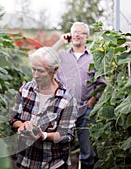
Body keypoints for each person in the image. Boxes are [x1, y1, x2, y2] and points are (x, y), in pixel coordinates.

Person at [9, 47, 78, 169]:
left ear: (54, 70)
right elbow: (13, 119)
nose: (35, 75)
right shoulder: (25, 90)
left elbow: (67, 135)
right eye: (33, 69)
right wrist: (22, 126)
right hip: (25, 161)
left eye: (40, 71)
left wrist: (44, 135)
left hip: (53, 163)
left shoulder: (66, 100)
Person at [52, 22, 107, 169]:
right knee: (61, 152)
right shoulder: (61, 56)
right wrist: (60, 42)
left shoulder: (93, 58)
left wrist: (92, 101)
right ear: (70, 35)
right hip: (63, 110)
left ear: (87, 37)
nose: (77, 34)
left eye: (81, 32)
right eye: (74, 32)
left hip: (85, 110)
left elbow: (101, 83)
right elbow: (44, 57)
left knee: (87, 153)